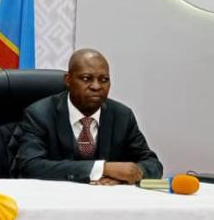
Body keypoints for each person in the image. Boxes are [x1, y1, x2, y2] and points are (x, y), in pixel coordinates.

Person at [10, 49, 162, 184]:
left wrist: (126, 176)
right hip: (56, 202)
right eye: (86, 78)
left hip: (107, 204)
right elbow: (29, 167)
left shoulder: (122, 116)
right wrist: (102, 169)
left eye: (104, 80)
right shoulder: (40, 114)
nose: (96, 86)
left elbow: (153, 165)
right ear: (68, 80)